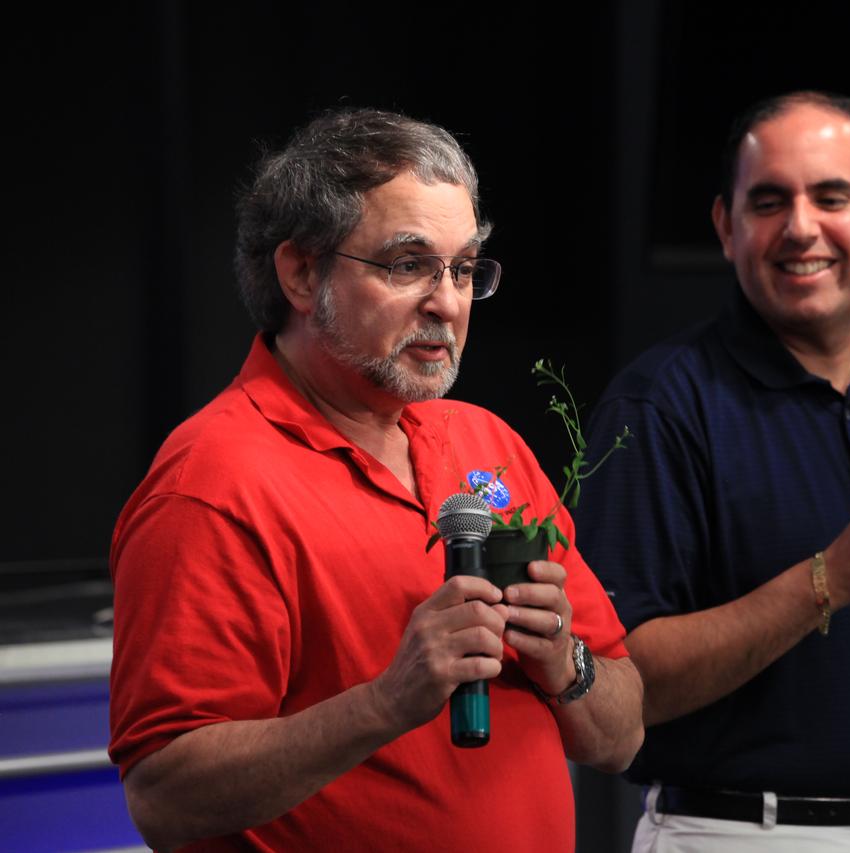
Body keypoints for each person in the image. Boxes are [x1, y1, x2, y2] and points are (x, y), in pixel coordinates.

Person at [108, 108, 643, 852]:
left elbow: (620, 737)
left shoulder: (487, 443)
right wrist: (387, 702)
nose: (447, 302)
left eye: (463, 269)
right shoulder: (212, 483)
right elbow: (165, 796)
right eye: (408, 264)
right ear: (301, 273)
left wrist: (564, 660)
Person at [575, 91, 850, 852]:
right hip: (737, 830)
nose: (801, 227)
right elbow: (619, 678)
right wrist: (828, 581)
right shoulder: (658, 403)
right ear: (727, 227)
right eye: (769, 201)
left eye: (831, 197)